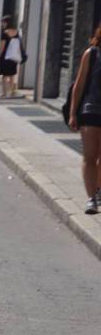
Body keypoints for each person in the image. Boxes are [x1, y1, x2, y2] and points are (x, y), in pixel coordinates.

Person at [68, 24, 101, 214]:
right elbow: (79, 85)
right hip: (91, 110)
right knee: (90, 156)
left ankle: (97, 190)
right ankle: (91, 199)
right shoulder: (92, 54)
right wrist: (73, 113)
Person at [0, 14, 26, 98]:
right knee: (12, 75)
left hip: (5, 56)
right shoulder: (16, 32)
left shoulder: (5, 33)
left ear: (6, 23)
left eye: (3, 22)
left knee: (4, 76)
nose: (2, 24)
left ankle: (4, 93)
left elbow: (2, 46)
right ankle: (12, 92)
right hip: (13, 56)